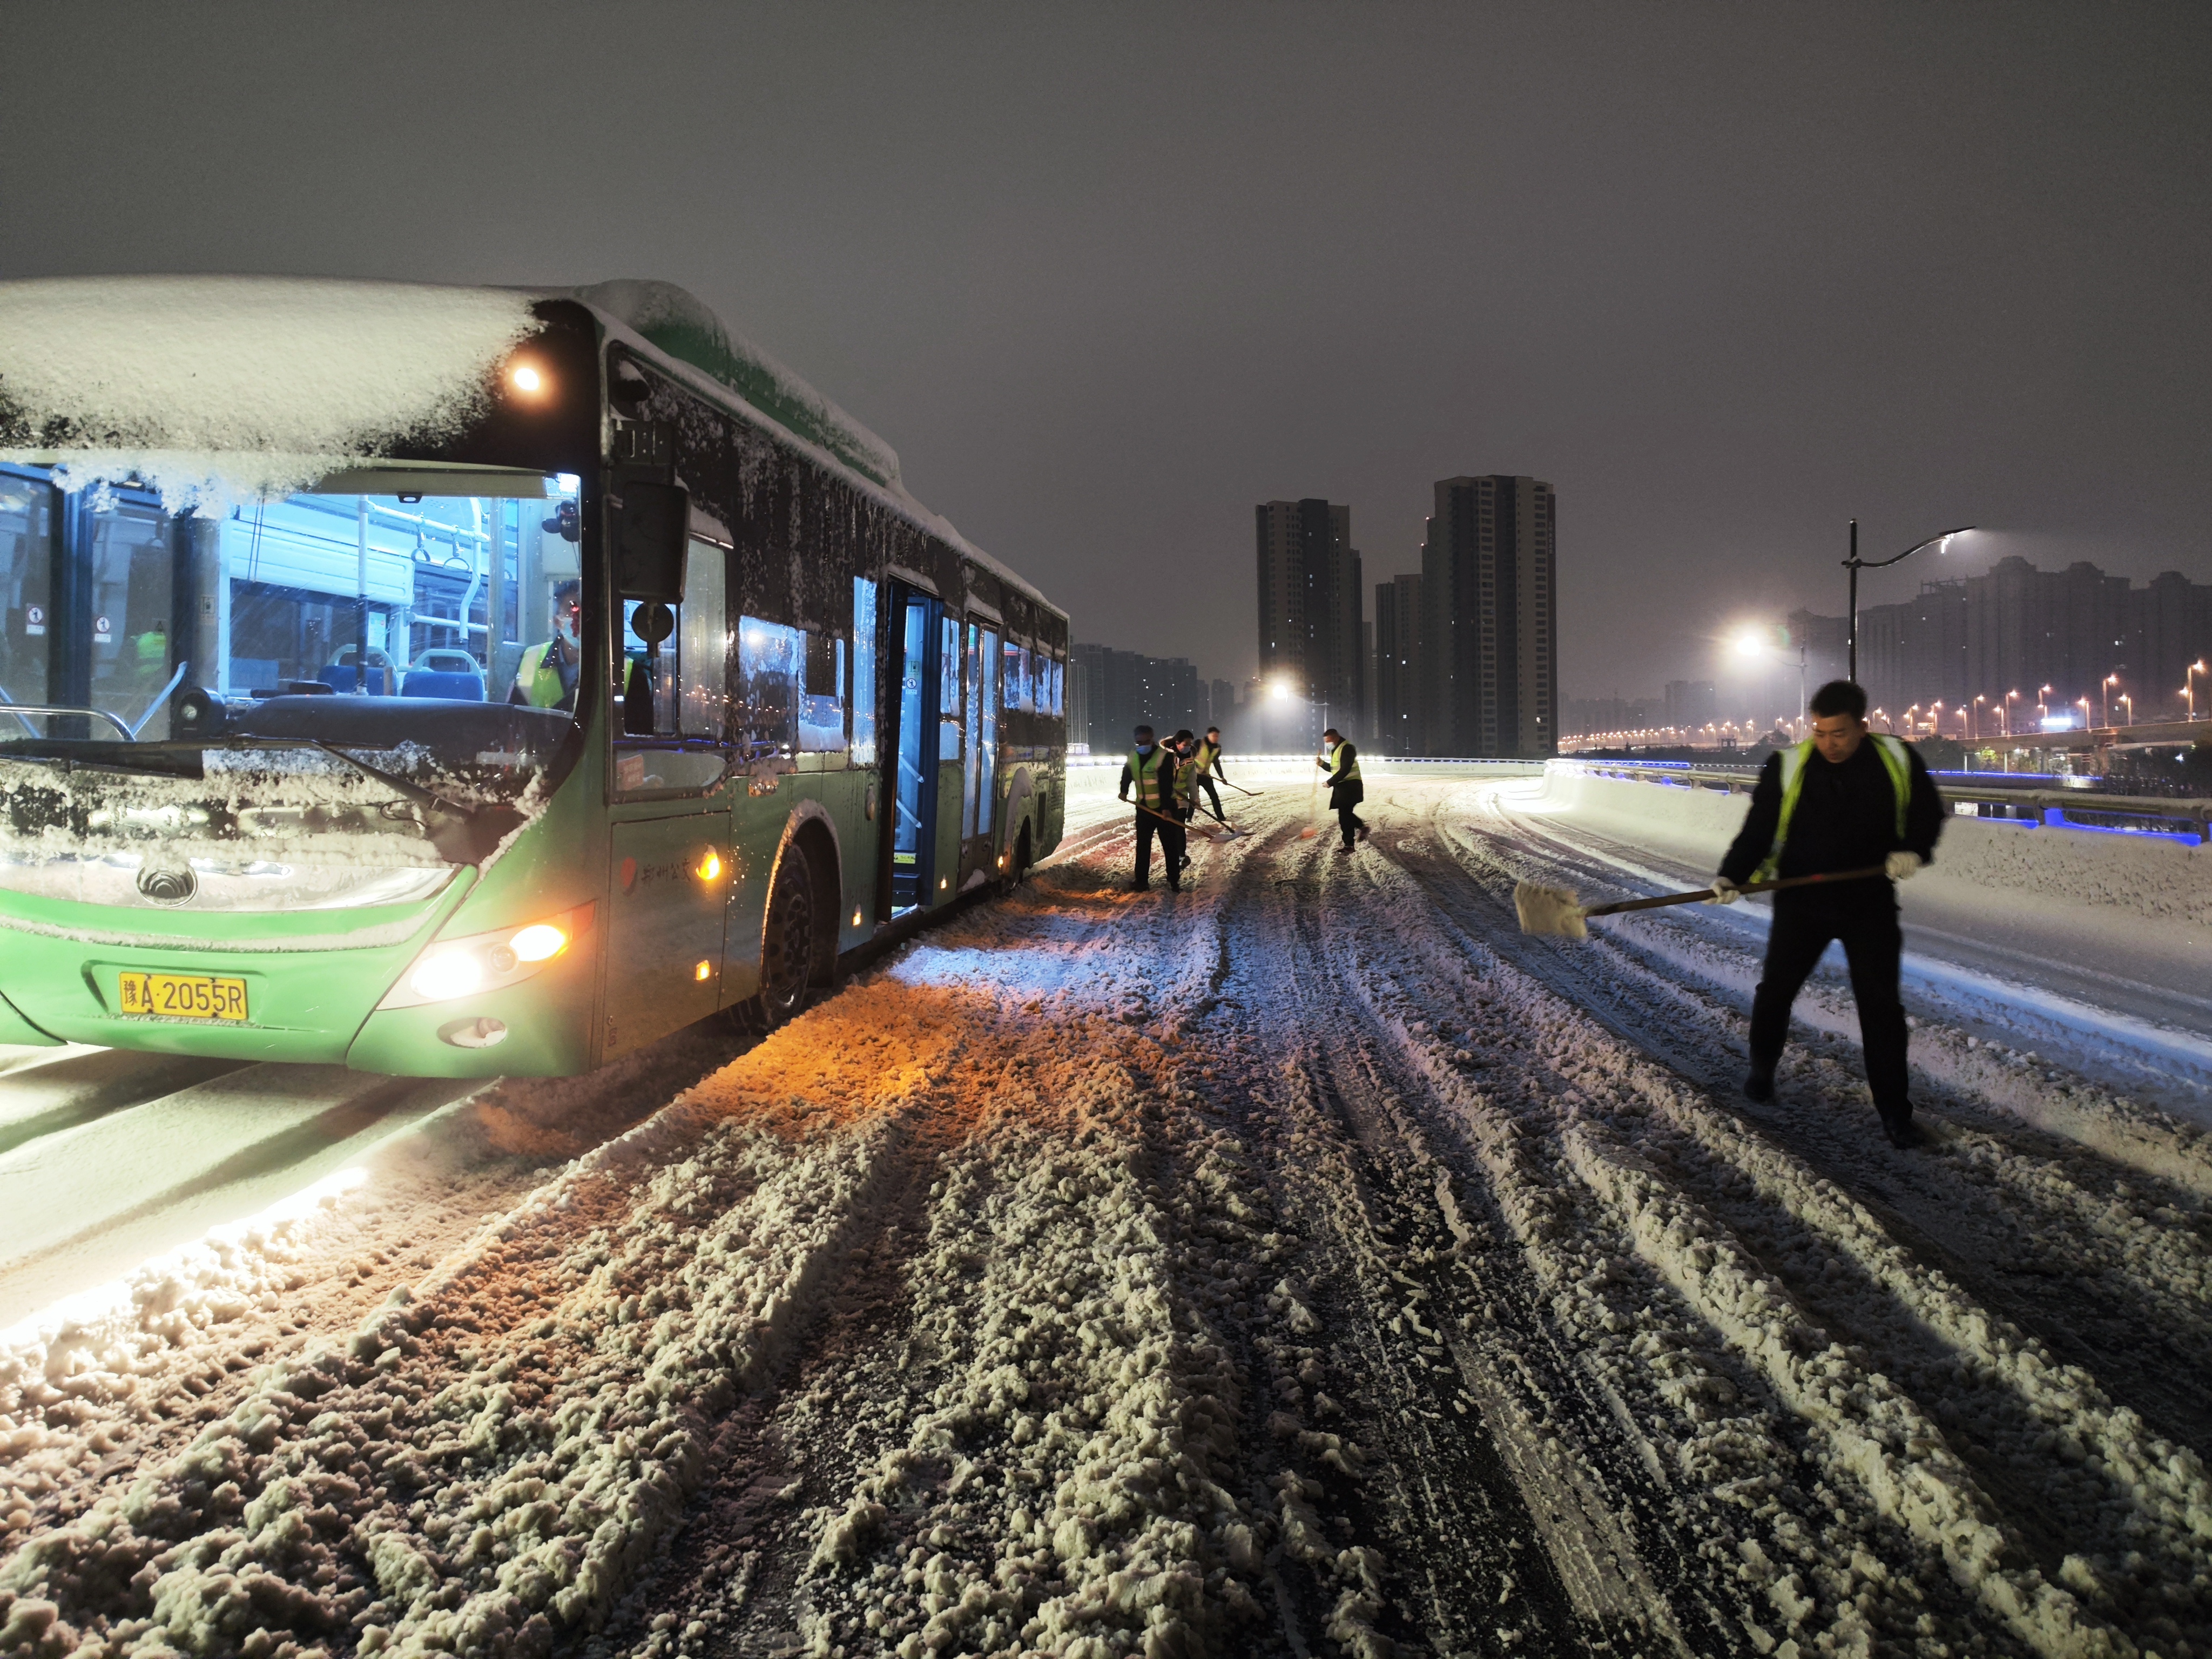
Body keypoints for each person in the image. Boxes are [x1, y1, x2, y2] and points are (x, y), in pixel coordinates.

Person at [1711, 679, 1945, 1149]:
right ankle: (1761, 1070)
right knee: (1776, 991)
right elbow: (1757, 830)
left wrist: (1914, 851)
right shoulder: (1789, 765)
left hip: (1869, 902)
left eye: (1838, 733)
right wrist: (1731, 875)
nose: (1827, 744)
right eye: (1819, 732)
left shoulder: (1897, 760)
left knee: (1881, 1010)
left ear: (1862, 726)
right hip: (1802, 904)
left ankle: (1896, 1116)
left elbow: (1928, 813)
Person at [1118, 724, 1186, 892]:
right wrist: (1124, 790)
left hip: (1165, 809)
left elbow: (1165, 784)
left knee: (1169, 845)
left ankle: (1174, 880)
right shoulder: (1133, 755)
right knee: (1143, 846)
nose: (1142, 745)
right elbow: (1127, 773)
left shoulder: (1163, 756)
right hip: (1143, 808)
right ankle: (1141, 881)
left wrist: (1165, 808)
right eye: (1139, 743)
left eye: (1146, 741)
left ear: (1152, 739)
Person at [509, 578, 583, 711]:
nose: (581, 617)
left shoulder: (621, 667)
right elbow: (513, 718)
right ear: (557, 622)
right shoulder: (530, 659)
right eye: (573, 609)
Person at [1316, 726, 1366, 849]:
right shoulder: (1337, 750)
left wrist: (1330, 782)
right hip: (1343, 787)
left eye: (1329, 741)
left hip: (1351, 786)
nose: (1327, 744)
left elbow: (1345, 769)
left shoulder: (1347, 748)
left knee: (1344, 816)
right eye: (1326, 741)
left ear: (1336, 738)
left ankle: (1349, 844)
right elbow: (1335, 769)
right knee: (1345, 813)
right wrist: (1322, 764)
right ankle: (1362, 828)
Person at [1191, 725, 1228, 822]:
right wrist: (1196, 767)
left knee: (1214, 797)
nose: (1216, 738)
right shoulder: (1199, 743)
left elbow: (1216, 763)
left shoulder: (1217, 748)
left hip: (1206, 776)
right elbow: (1190, 758)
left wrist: (1222, 777)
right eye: (1214, 736)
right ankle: (1188, 818)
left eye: (1217, 736)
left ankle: (1221, 817)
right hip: (1195, 775)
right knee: (1194, 798)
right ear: (1208, 735)